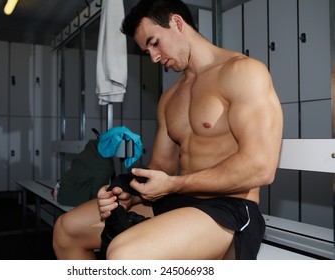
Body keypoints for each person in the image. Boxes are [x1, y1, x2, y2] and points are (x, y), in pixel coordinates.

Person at [53, 0, 283, 260]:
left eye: (154, 42)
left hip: (228, 207)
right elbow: (161, 165)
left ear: (177, 22)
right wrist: (130, 195)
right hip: (175, 200)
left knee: (124, 254)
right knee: (66, 229)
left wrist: (174, 184)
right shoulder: (171, 98)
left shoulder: (243, 72)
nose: (153, 57)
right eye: (146, 50)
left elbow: (260, 167)